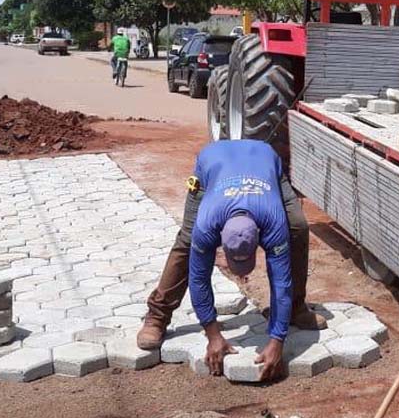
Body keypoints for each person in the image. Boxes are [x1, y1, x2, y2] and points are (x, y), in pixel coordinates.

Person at [137, 139, 326, 380]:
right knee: (187, 241)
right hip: (213, 164)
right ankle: (157, 315)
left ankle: (294, 309)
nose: (242, 273)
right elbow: (199, 278)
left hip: (263, 159)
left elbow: (281, 281)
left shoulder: (272, 221)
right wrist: (212, 335)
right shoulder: (206, 225)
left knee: (297, 228)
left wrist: (278, 339)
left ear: (259, 236)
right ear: (220, 242)